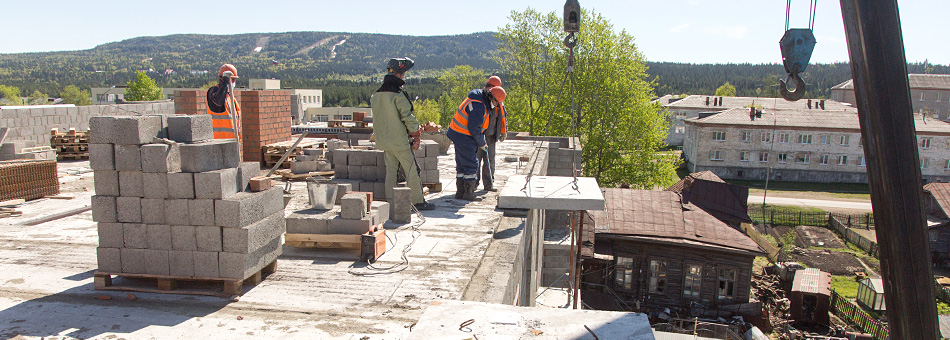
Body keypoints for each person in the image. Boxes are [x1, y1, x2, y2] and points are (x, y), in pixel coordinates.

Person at [370, 57, 435, 210]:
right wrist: (416, 134)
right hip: (400, 142)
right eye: (403, 73)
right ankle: (418, 202)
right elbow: (408, 117)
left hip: (384, 141)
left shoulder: (376, 95)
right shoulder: (398, 95)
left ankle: (391, 202)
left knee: (391, 171)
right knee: (412, 170)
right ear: (399, 75)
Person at [447, 83, 506, 201]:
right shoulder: (479, 106)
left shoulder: (479, 100)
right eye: (495, 103)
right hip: (464, 135)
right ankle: (468, 194)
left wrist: (481, 140)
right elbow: (474, 128)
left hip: (458, 133)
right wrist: (481, 143)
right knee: (471, 164)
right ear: (491, 98)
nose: (495, 106)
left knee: (462, 164)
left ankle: (460, 192)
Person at [475, 76, 508, 191]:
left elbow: (503, 117)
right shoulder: (482, 100)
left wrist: (503, 132)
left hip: (491, 136)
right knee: (476, 160)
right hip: (479, 136)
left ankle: (488, 185)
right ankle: (473, 184)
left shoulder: (498, 100)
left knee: (490, 161)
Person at [206, 64, 242, 140]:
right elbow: (218, 102)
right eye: (232, 79)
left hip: (232, 143)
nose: (234, 82)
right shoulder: (213, 92)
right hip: (218, 142)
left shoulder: (230, 98)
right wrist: (225, 82)